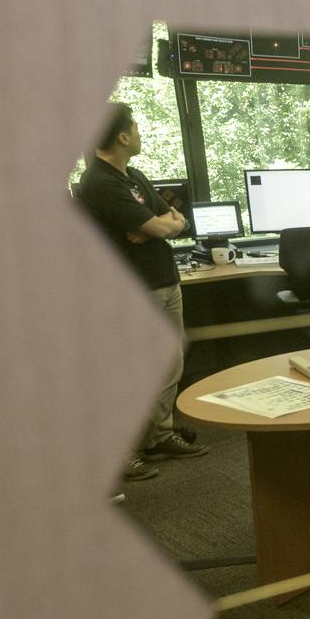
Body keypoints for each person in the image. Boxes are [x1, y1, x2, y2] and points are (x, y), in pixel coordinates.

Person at [76, 104, 209, 482]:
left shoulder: (133, 176)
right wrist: (157, 226)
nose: (139, 133)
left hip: (164, 281)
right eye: (135, 127)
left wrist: (154, 227)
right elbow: (162, 226)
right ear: (121, 136)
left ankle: (158, 436)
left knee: (168, 364)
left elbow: (175, 221)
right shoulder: (98, 182)